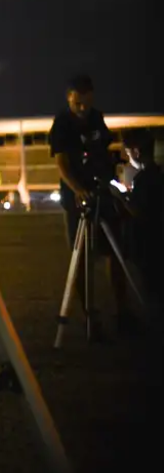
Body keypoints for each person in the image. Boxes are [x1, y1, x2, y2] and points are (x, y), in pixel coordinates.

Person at [48, 74, 130, 334]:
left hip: (100, 190)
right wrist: (78, 189)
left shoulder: (96, 118)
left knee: (115, 252)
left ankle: (123, 312)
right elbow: (61, 164)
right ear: (69, 99)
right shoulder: (61, 124)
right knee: (82, 257)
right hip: (77, 197)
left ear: (91, 97)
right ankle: (90, 316)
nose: (82, 109)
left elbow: (103, 150)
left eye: (85, 103)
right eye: (76, 104)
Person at [120, 129, 161, 304]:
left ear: (136, 152)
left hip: (149, 246)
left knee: (153, 292)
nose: (129, 158)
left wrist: (120, 198)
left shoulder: (145, 178)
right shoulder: (158, 174)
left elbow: (138, 211)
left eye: (128, 153)